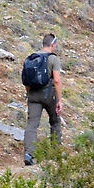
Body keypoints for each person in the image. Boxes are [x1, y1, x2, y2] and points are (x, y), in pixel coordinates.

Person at [22, 33, 63, 165]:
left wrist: (29, 95)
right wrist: (59, 100)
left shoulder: (32, 58)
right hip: (48, 94)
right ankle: (55, 153)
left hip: (33, 95)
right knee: (55, 122)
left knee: (32, 124)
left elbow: (26, 80)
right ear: (52, 44)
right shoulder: (53, 59)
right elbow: (56, 80)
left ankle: (29, 154)